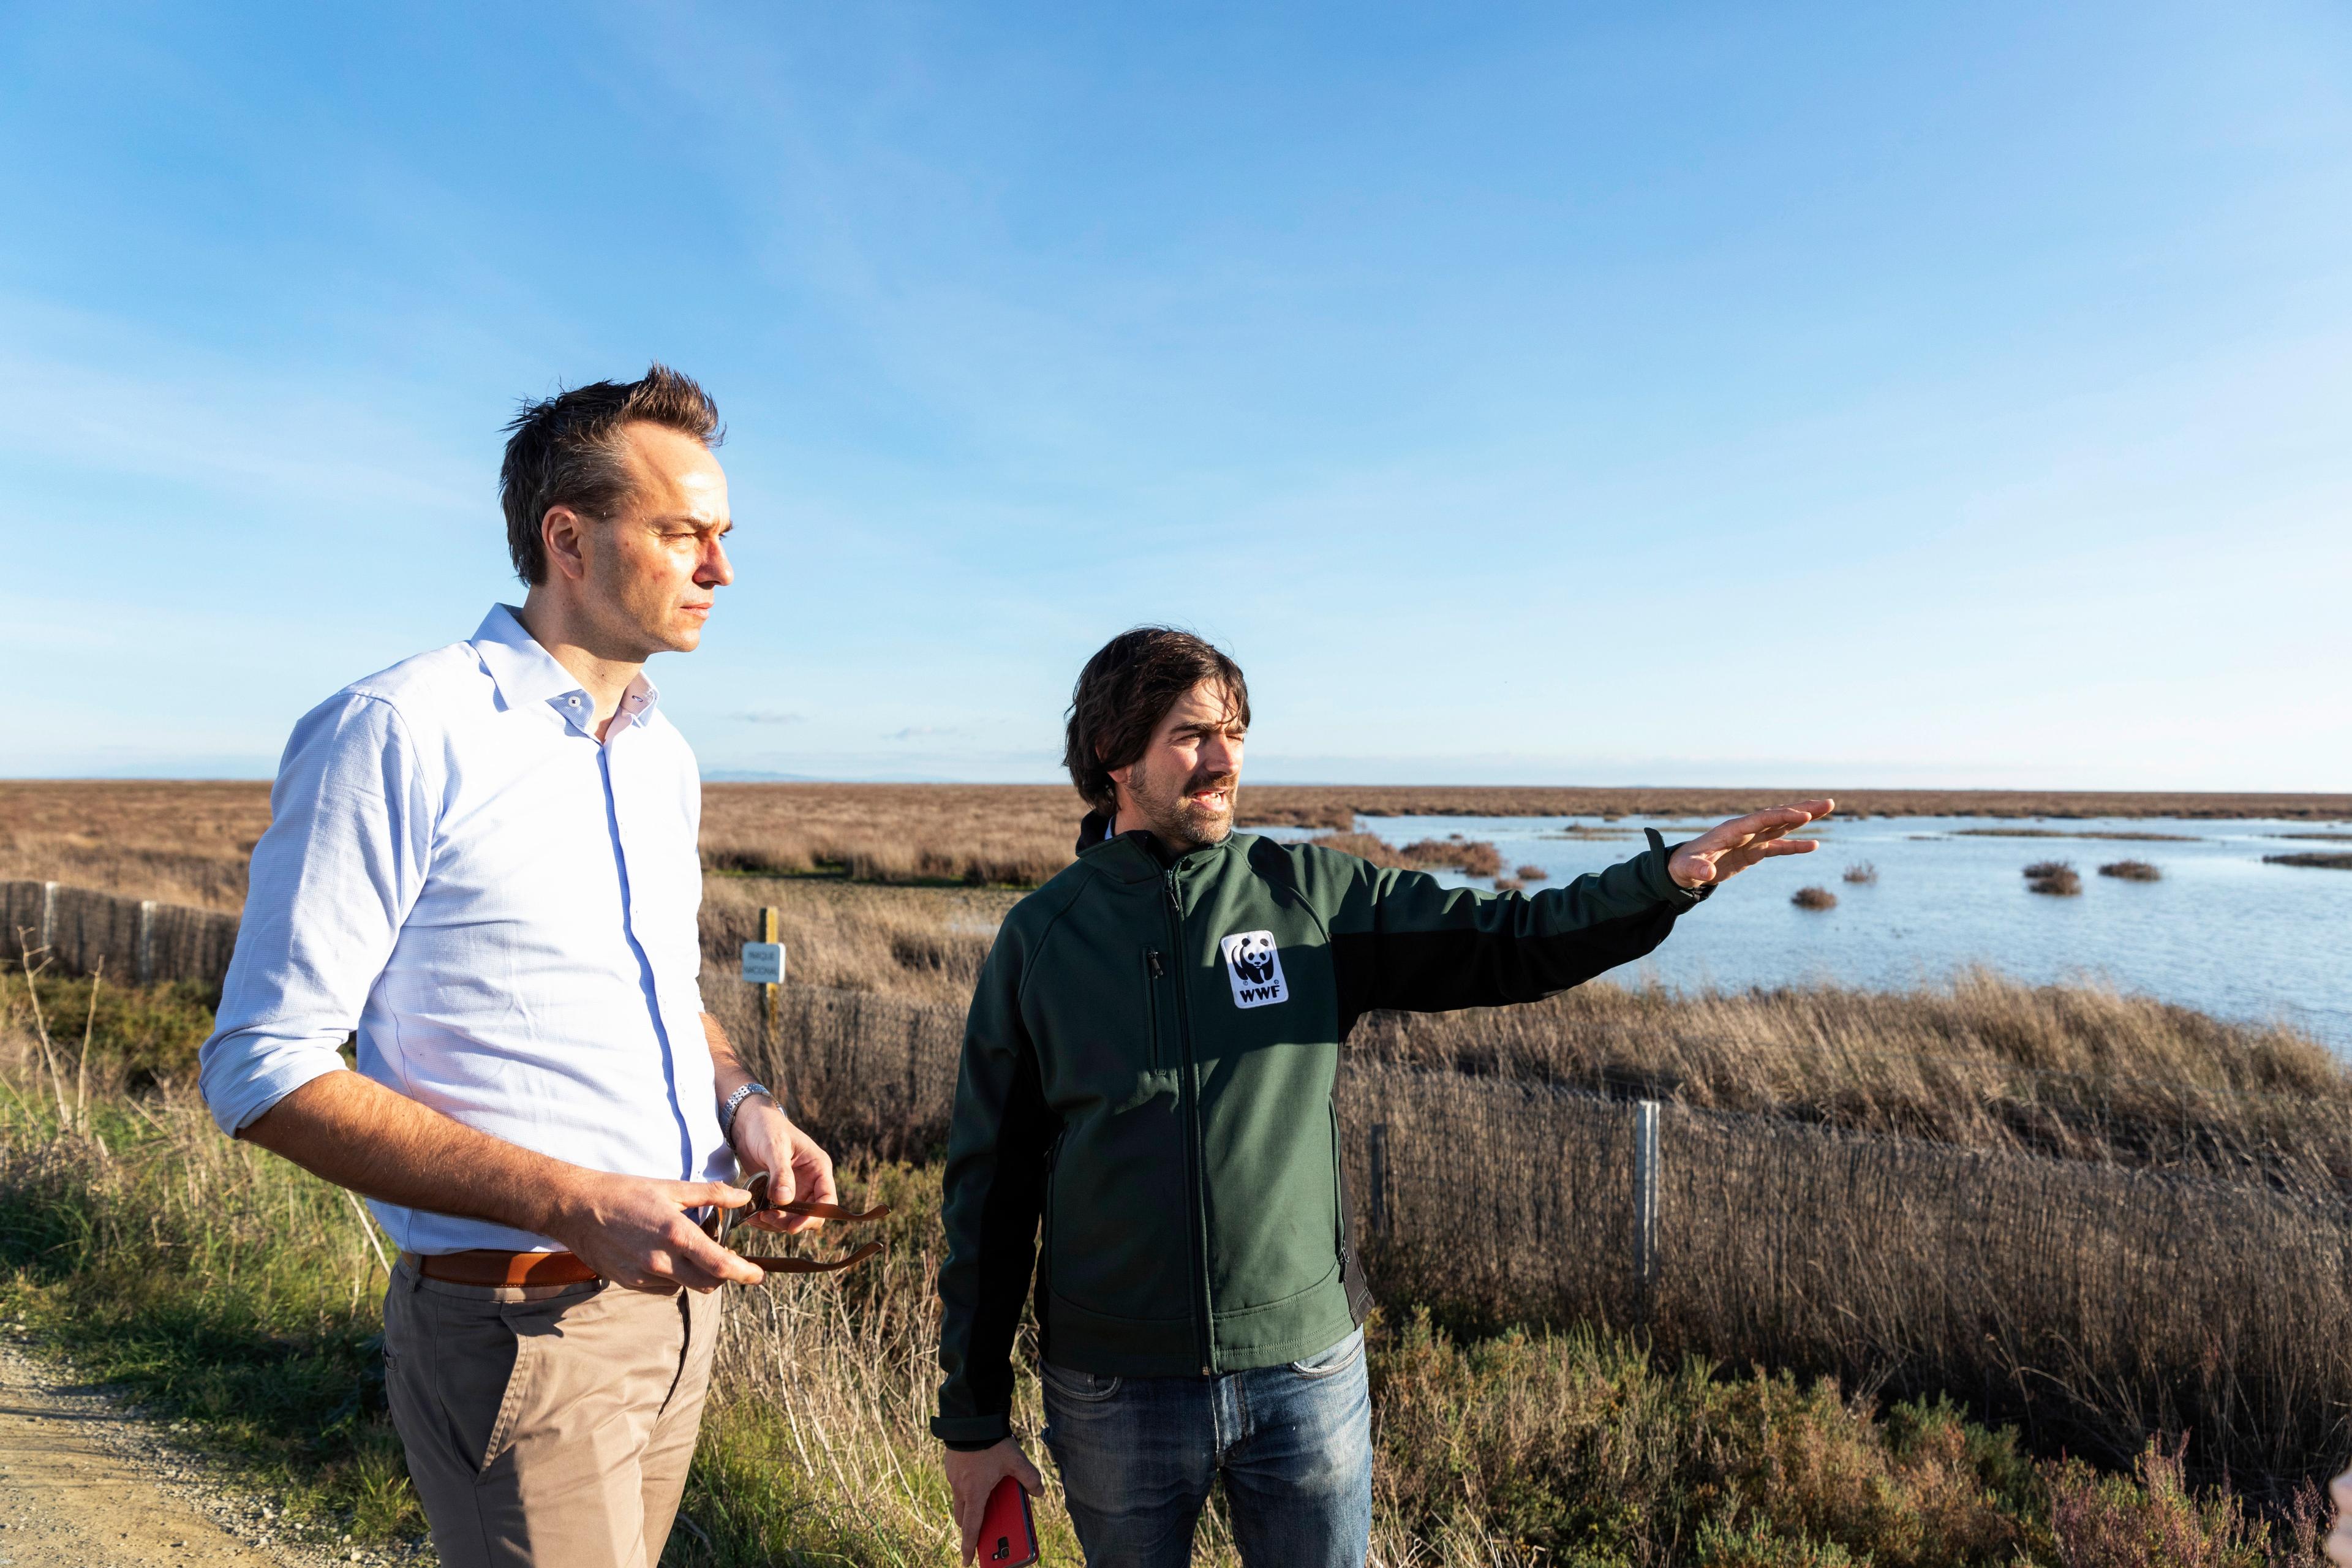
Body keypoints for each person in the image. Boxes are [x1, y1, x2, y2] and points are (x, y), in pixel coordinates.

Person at [932, 625, 1831, 1568]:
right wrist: (972, 1421)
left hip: (1304, 1375)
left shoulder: (1307, 895)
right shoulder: (1041, 942)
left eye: (1236, 730)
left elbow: (1504, 938)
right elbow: (989, 1194)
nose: (1225, 758)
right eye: (1193, 735)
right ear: (1117, 754)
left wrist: (1663, 881)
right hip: (1115, 1389)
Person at [197, 365, 838, 1568]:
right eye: (683, 532)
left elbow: (661, 996)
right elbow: (260, 1068)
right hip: (518, 1320)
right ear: (570, 541)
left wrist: (746, 1105)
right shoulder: (399, 727)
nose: (723, 568)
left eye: (724, 534)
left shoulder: (664, 755)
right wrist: (578, 1201)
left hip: (677, 1313)